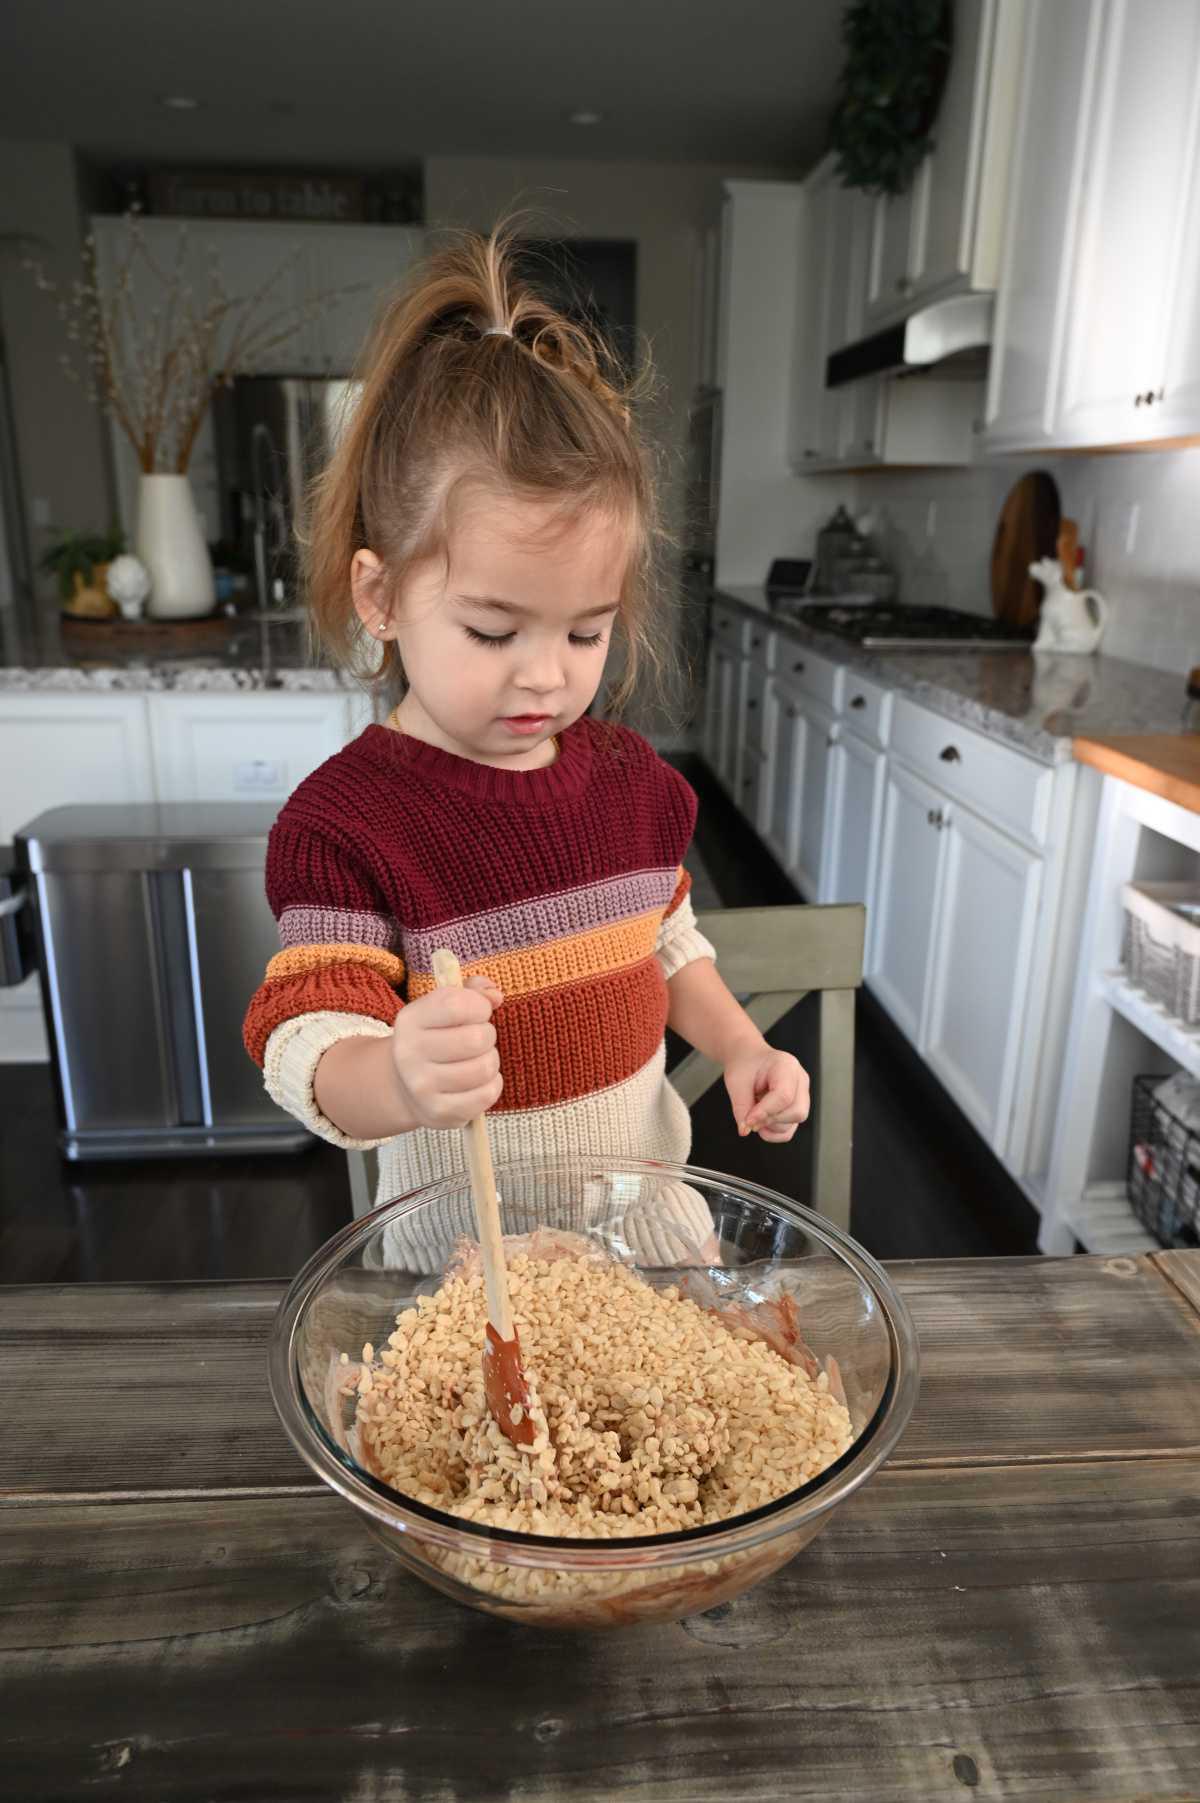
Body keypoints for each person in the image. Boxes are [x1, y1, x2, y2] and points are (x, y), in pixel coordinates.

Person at [241, 213, 810, 1262]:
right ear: (381, 595)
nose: (547, 672)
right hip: (466, 1270)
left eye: (587, 630)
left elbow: (665, 941)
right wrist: (399, 1077)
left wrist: (739, 1044)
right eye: (493, 630)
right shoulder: (348, 825)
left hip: (648, 1231)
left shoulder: (627, 782)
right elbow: (307, 1040)